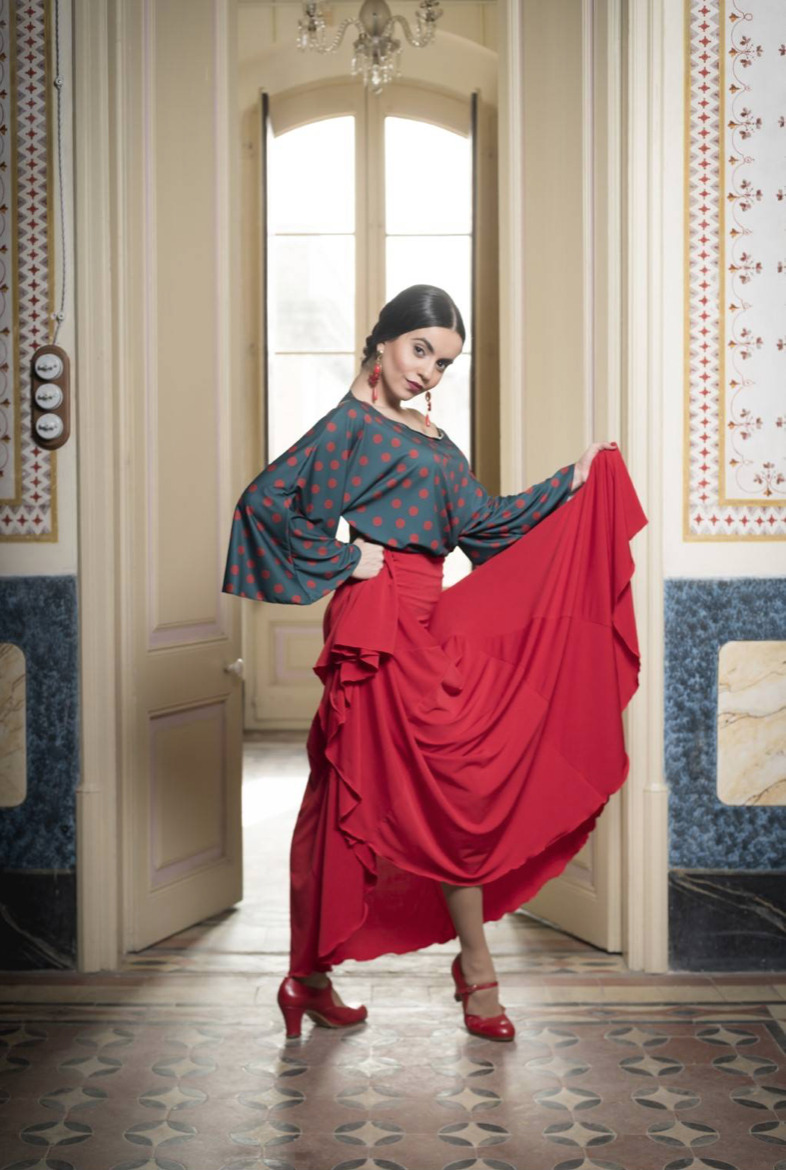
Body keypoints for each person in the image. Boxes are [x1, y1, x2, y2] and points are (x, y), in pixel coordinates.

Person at [222, 284, 646, 1043]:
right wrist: (346, 560)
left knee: (356, 796)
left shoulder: (432, 436)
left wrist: (572, 482)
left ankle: (306, 977)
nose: (427, 372)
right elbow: (263, 503)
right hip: (379, 622)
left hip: (430, 616)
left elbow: (484, 528)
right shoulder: (349, 425)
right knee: (427, 793)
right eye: (420, 351)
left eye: (444, 362)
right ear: (383, 340)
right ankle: (476, 971)